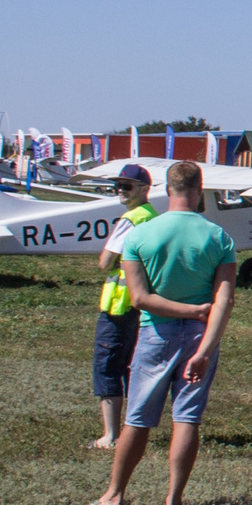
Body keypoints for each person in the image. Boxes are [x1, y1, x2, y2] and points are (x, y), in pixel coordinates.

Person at [90, 162, 237, 505]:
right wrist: (204, 348)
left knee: (138, 418)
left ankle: (114, 494)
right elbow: (225, 301)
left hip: (155, 333)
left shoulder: (139, 235)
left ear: (167, 190)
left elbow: (140, 299)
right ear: (199, 191)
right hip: (201, 337)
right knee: (187, 418)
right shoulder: (219, 237)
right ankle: (174, 501)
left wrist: (187, 311)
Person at [87, 164, 157, 451]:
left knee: (108, 366)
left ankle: (111, 435)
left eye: (126, 186)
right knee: (134, 366)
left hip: (120, 305)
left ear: (144, 189)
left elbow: (105, 262)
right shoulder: (152, 216)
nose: (120, 190)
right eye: (118, 185)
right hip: (143, 303)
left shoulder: (130, 219)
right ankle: (134, 427)